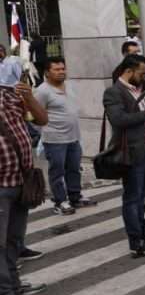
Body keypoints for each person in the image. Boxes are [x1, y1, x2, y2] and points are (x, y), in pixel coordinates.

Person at [104, 55, 145, 256]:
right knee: (133, 197)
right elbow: (118, 119)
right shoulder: (114, 92)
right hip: (132, 152)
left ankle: (143, 229)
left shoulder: (140, 90)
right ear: (129, 71)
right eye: (142, 73)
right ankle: (136, 240)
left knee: (144, 195)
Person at [0, 81, 49, 295]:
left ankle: (13, 284)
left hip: (21, 180)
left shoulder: (8, 94)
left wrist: (28, 97)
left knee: (14, 239)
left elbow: (41, 120)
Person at [33, 57, 96, 216]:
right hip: (54, 140)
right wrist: (43, 133)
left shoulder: (69, 85)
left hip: (73, 137)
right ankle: (59, 201)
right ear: (47, 72)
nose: (61, 72)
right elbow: (36, 116)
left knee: (74, 169)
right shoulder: (42, 91)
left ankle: (75, 196)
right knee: (57, 171)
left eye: (63, 69)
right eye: (57, 69)